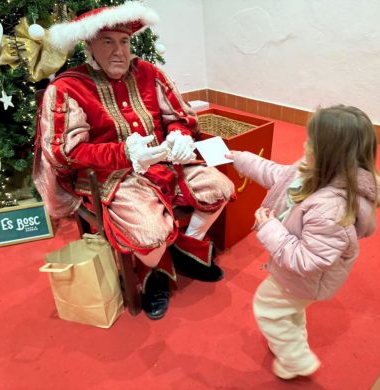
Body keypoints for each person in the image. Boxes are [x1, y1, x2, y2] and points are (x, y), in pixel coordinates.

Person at [33, 1, 234, 320]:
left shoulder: (149, 72)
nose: (119, 51)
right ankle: (156, 271)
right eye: (108, 42)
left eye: (124, 41)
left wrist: (180, 135)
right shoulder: (68, 87)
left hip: (167, 163)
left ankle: (182, 246)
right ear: (90, 45)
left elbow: (179, 116)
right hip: (111, 177)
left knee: (220, 188)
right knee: (150, 235)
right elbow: (64, 153)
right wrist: (123, 153)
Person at [226, 105, 380, 379]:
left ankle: (296, 360)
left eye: (310, 142)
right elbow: (276, 175)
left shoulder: (331, 209)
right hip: (294, 275)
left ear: (327, 154)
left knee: (267, 307)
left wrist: (269, 228)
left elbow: (308, 260)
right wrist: (239, 158)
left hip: (302, 277)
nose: (304, 144)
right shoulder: (309, 173)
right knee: (289, 310)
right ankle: (293, 341)